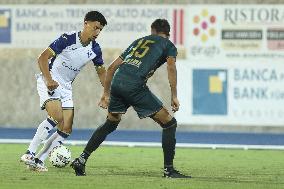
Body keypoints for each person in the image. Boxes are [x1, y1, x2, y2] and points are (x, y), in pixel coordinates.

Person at [70, 18, 191, 178]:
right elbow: (171, 67)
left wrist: (106, 93)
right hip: (134, 86)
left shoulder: (139, 41)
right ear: (167, 34)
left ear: (152, 31)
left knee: (110, 123)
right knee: (169, 123)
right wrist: (174, 95)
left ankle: (82, 159)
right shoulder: (168, 45)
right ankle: (169, 170)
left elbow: (112, 67)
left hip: (117, 83)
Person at [20, 11, 107, 172]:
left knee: (66, 128)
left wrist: (107, 92)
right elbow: (42, 58)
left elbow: (101, 71)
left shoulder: (95, 49)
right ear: (86, 23)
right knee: (57, 116)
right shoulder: (67, 39)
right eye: (95, 28)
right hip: (50, 79)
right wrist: (49, 80)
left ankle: (39, 161)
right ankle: (29, 153)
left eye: (100, 30)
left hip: (66, 86)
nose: (97, 32)